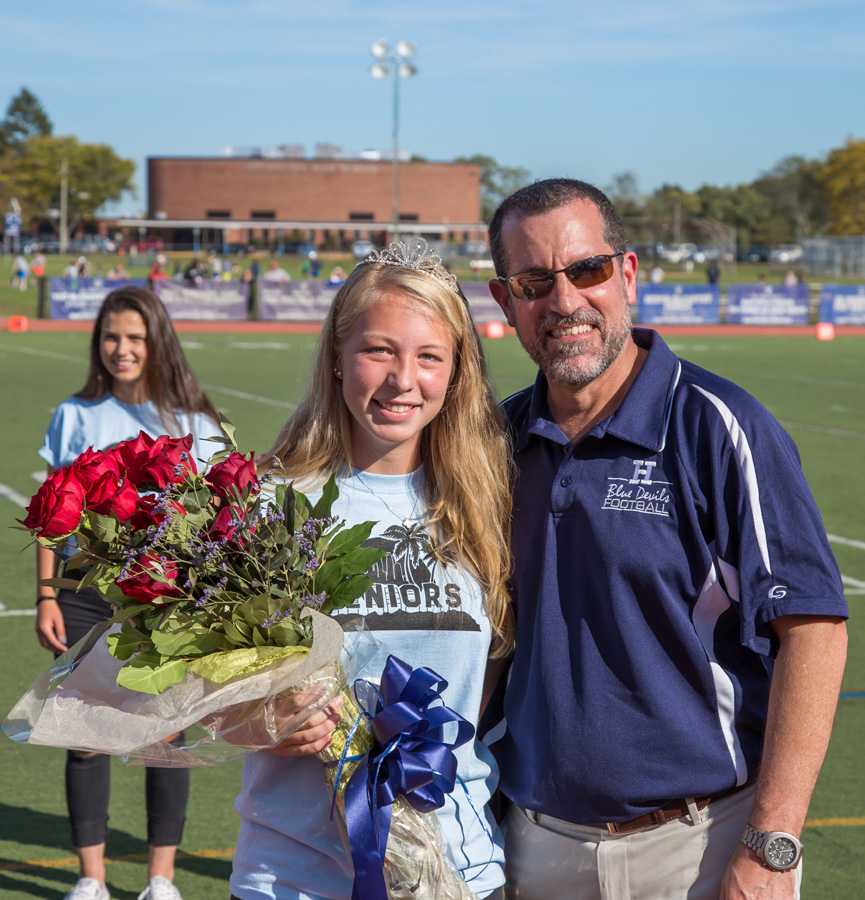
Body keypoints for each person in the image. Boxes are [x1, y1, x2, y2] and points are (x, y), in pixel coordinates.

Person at [483, 178, 848, 900]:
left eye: (587, 270)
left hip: (699, 849)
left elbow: (813, 630)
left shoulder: (720, 426)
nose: (564, 301)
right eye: (533, 283)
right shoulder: (491, 442)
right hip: (529, 848)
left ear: (627, 274)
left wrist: (772, 842)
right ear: (504, 301)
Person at [229, 240, 512, 900]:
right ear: (336, 357)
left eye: (429, 356)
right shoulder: (271, 504)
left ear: (456, 372)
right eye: (379, 350)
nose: (402, 379)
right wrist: (263, 722)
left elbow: (487, 683)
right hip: (294, 876)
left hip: (459, 870)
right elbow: (209, 706)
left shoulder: (488, 505)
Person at [34, 286, 223, 900]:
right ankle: (90, 880)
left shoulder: (193, 423)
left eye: (135, 338)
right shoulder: (74, 414)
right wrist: (46, 596)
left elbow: (218, 518)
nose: (122, 349)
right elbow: (51, 516)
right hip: (83, 593)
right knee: (84, 736)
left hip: (161, 600)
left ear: (157, 342)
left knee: (163, 737)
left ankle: (160, 880)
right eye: (111, 337)